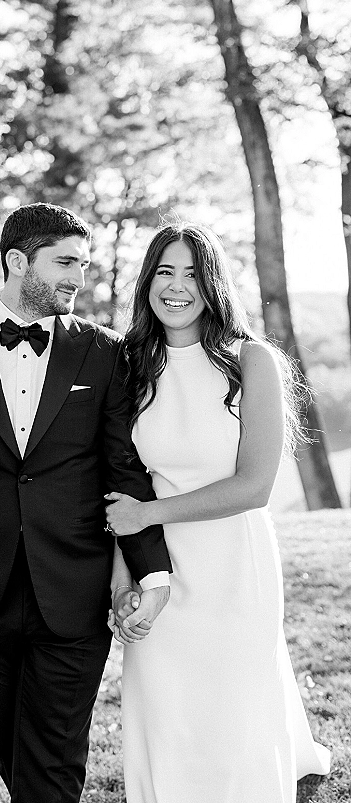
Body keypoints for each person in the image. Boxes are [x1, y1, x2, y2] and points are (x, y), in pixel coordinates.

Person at [0, 202, 172, 803]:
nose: (78, 277)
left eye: (83, 263)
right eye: (65, 263)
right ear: (17, 261)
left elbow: (122, 467)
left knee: (52, 757)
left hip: (73, 587)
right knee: (9, 742)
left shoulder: (104, 354)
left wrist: (152, 568)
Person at [105, 218, 330, 803]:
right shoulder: (127, 366)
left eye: (192, 273)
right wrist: (124, 577)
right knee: (165, 708)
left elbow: (254, 486)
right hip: (160, 566)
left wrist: (149, 515)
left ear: (213, 285)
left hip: (235, 561)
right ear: (147, 282)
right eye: (164, 271)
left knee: (233, 710)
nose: (177, 287)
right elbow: (121, 481)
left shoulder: (250, 361)